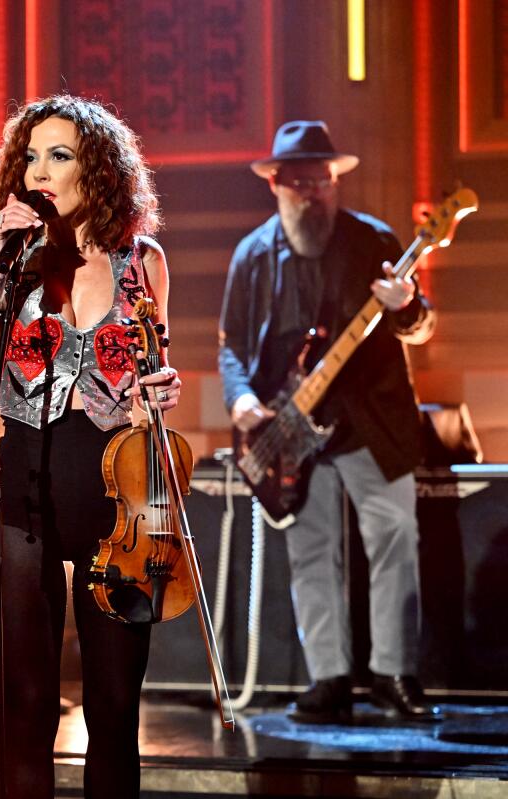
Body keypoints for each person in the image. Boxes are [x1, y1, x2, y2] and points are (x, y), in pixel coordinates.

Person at [0, 95, 181, 799]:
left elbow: (154, 377)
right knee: (26, 708)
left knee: (112, 709)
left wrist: (157, 392)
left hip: (116, 499)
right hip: (22, 491)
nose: (39, 170)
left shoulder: (144, 262)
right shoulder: (1, 251)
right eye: (31, 155)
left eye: (60, 155)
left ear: (98, 170)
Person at [218, 120, 439, 723]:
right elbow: (231, 347)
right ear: (277, 185)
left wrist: (408, 306)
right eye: (300, 183)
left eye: (323, 181)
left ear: (335, 182)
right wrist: (239, 399)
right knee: (311, 552)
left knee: (395, 540)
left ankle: (395, 674)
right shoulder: (252, 256)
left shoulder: (374, 241)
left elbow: (420, 328)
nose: (313, 192)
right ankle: (330, 678)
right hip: (290, 429)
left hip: (371, 421)